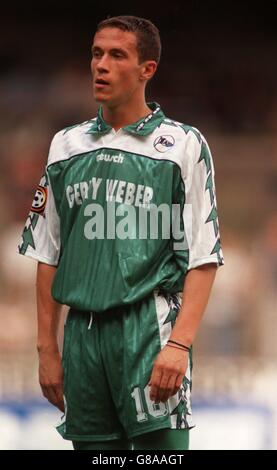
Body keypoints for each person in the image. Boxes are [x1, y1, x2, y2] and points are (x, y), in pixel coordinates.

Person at [18, 15, 224, 451]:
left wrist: (179, 345)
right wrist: (46, 349)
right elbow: (47, 252)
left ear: (147, 69)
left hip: (149, 330)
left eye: (117, 55)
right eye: (96, 54)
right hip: (82, 337)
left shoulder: (183, 145)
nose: (101, 65)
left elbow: (205, 256)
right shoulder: (65, 145)